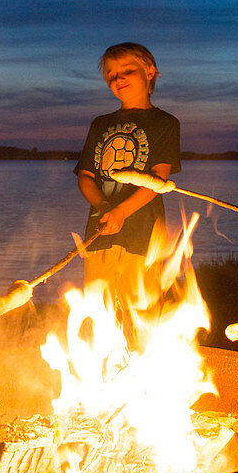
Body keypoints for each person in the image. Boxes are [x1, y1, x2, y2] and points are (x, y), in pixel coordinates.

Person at [74, 42, 181, 315]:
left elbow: (158, 180)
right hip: (99, 236)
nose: (118, 78)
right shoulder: (100, 124)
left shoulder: (165, 123)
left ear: (150, 72)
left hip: (143, 237)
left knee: (142, 314)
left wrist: (122, 211)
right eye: (111, 74)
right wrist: (105, 207)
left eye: (127, 70)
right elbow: (86, 176)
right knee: (100, 315)